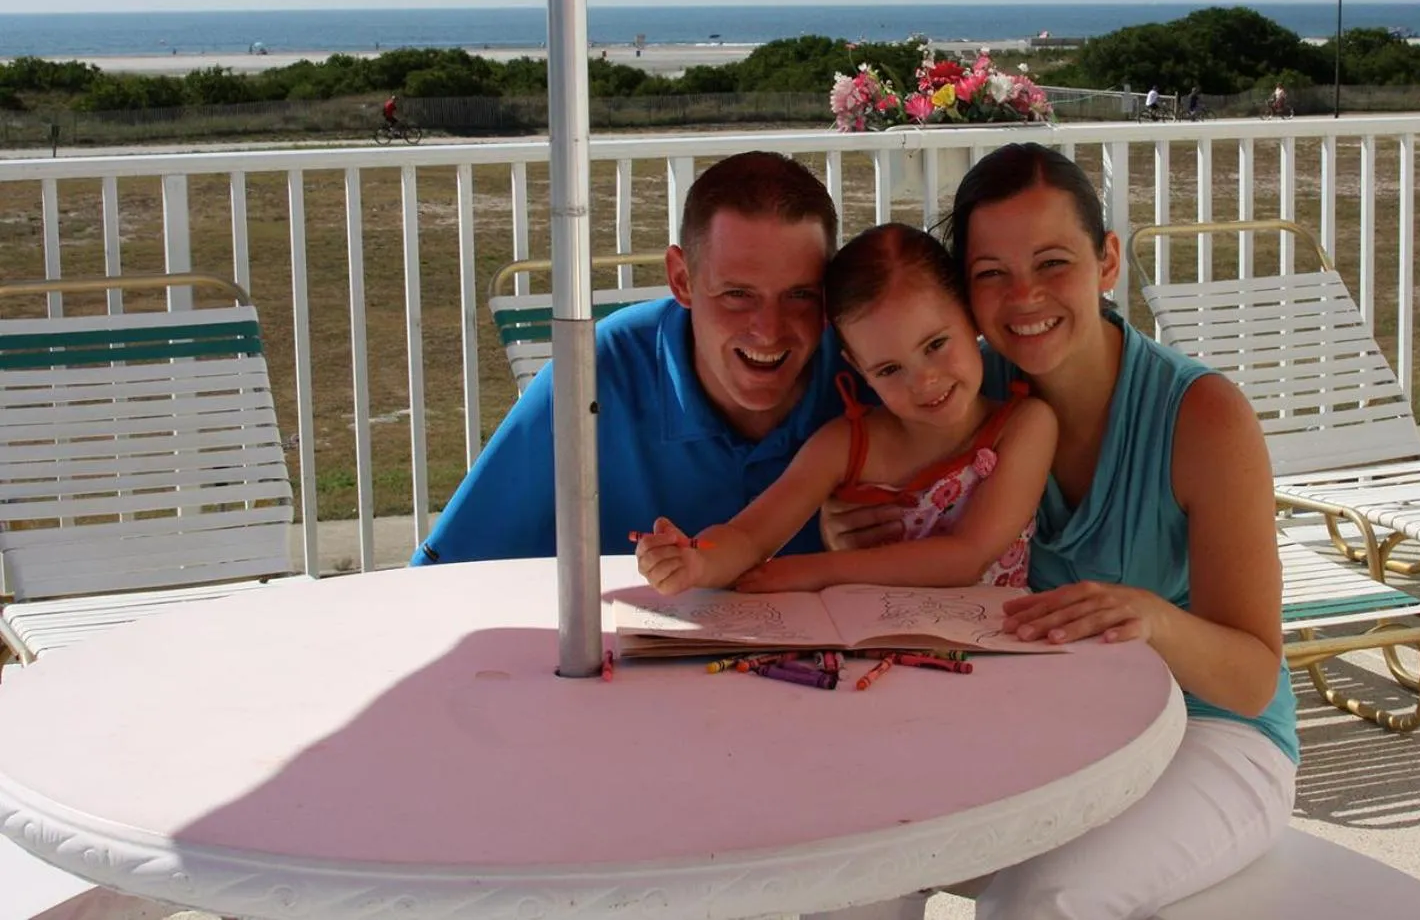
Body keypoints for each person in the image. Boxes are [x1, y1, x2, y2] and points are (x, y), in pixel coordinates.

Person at [821, 143, 1298, 920]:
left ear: (1107, 261)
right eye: (990, 274)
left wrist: (1154, 618)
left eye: (1052, 262)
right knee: (853, 856)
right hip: (1051, 721)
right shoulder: (963, 397)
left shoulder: (1202, 417)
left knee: (1043, 901)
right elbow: (922, 556)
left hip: (1213, 736)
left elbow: (1252, 677)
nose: (1024, 296)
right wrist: (858, 533)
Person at [411, 151, 848, 566]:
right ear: (682, 280)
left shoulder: (874, 370)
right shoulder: (597, 374)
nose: (769, 330)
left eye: (800, 296)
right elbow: (448, 570)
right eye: (737, 295)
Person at [633, 223, 1055, 596]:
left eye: (935, 345)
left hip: (995, 665)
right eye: (889, 369)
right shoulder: (846, 445)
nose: (924, 380)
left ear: (971, 317)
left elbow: (968, 556)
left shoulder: (1023, 426)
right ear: (859, 369)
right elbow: (748, 537)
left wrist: (816, 571)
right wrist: (697, 559)